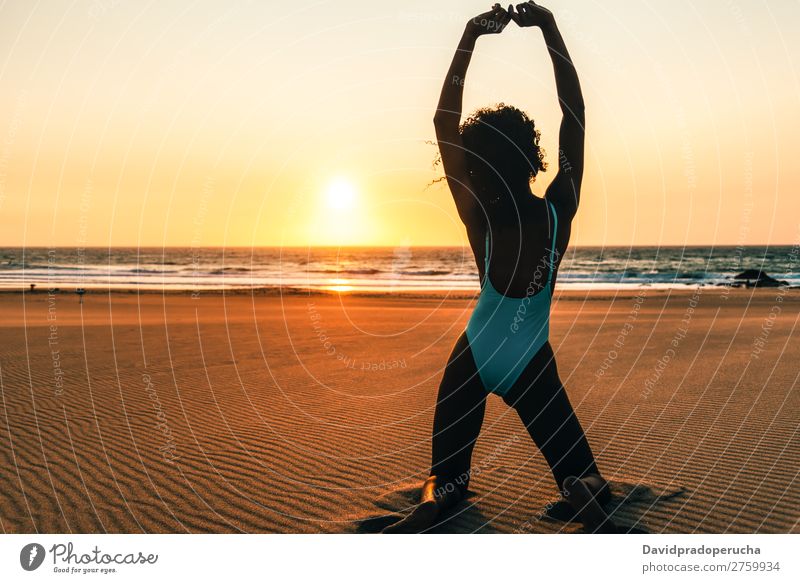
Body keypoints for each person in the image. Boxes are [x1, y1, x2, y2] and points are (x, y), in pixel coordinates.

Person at [384, 2, 615, 534]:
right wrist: (549, 28)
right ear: (532, 157)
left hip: (475, 352)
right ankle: (582, 493)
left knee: (447, 477)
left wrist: (471, 36)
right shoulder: (558, 210)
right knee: (582, 476)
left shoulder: (478, 216)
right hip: (530, 358)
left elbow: (443, 121)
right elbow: (574, 113)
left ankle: (434, 501)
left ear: (481, 161)